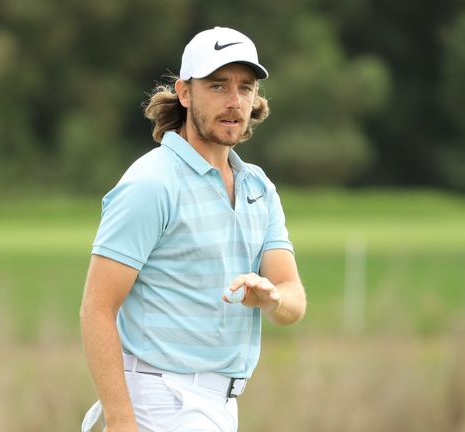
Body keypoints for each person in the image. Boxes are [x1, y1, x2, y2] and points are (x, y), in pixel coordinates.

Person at [80, 26, 306, 432]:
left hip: (219, 404)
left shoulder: (258, 188)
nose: (234, 101)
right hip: (161, 402)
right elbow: (97, 309)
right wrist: (121, 422)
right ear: (184, 93)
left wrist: (272, 300)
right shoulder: (152, 182)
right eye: (218, 86)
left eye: (245, 87)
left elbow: (293, 298)